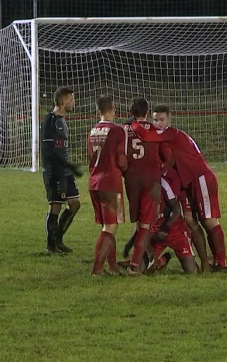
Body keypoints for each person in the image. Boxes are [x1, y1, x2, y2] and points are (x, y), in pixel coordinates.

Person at [131, 105, 227, 273]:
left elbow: (147, 136)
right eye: (155, 119)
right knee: (190, 219)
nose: (158, 123)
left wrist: (134, 123)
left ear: (169, 119)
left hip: (200, 177)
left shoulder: (171, 132)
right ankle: (204, 262)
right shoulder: (168, 137)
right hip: (187, 181)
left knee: (209, 220)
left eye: (161, 119)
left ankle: (221, 264)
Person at [122, 98, 163, 276]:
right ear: (147, 112)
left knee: (140, 223)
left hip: (131, 180)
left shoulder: (124, 129)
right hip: (151, 180)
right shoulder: (155, 129)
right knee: (145, 224)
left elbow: (121, 156)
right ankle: (134, 265)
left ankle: (139, 258)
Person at [87, 95, 127, 276]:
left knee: (108, 226)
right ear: (113, 108)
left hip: (94, 182)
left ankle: (113, 267)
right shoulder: (118, 131)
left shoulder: (93, 130)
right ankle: (97, 269)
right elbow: (121, 160)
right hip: (110, 182)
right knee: (110, 228)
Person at [42, 87, 82, 254]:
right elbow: (49, 150)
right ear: (63, 101)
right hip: (54, 171)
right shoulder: (49, 121)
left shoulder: (62, 120)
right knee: (56, 206)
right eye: (72, 100)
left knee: (74, 204)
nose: (74, 103)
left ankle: (58, 239)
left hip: (64, 171)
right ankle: (52, 245)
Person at [146, 166, 199, 274]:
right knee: (143, 271)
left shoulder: (164, 183)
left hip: (176, 232)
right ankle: (161, 261)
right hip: (155, 233)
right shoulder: (139, 187)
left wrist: (164, 229)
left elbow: (176, 209)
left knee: (192, 272)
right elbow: (140, 221)